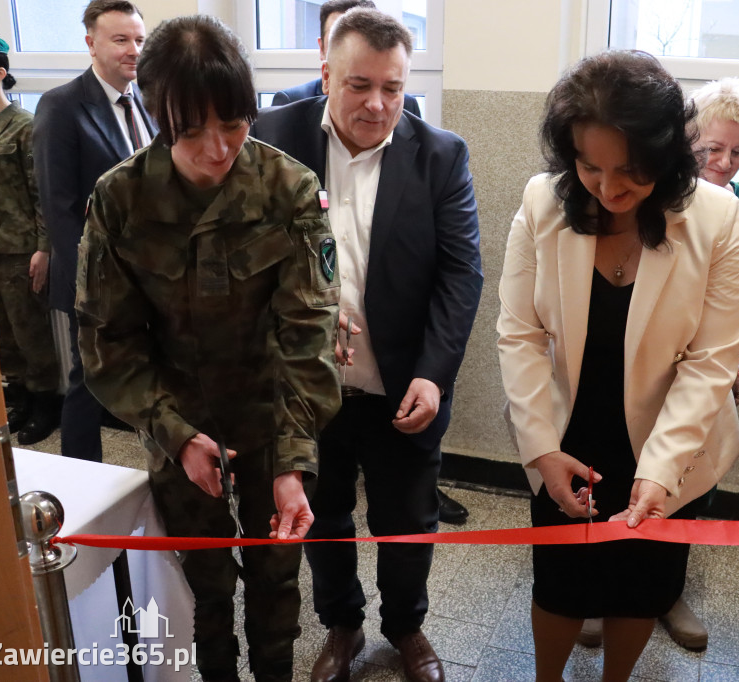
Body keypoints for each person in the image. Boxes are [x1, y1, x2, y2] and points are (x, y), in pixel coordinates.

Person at [74, 14, 341, 682]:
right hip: (178, 418)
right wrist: (174, 433)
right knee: (205, 577)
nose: (218, 148)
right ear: (159, 117)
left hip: (272, 417)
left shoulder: (290, 190)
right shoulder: (120, 201)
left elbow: (307, 340)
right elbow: (108, 345)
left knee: (278, 578)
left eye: (234, 123)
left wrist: (293, 461)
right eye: (192, 131)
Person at [497, 50, 739, 681]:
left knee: (643, 582)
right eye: (590, 167)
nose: (609, 190)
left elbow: (711, 362)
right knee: (560, 580)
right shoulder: (542, 202)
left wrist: (660, 471)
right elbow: (520, 332)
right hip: (569, 432)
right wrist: (539, 448)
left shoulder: (716, 218)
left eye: (630, 173)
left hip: (673, 438)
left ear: (667, 158)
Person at [253, 8, 482, 682]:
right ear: (325, 72)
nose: (378, 104)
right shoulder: (274, 137)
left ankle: (406, 628)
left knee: (407, 521)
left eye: (393, 87)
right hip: (308, 384)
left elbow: (461, 273)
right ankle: (342, 625)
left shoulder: (442, 155)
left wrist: (435, 374)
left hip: (403, 383)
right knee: (323, 519)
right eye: (359, 85)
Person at [33, 0, 155, 462]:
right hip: (95, 281)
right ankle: (80, 484)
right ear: (91, 44)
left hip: (151, 271)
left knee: (151, 374)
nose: (134, 50)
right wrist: (94, 283)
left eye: (140, 40)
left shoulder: (146, 101)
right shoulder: (61, 106)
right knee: (88, 382)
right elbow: (59, 207)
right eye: (121, 39)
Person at [0, 32, 61, 444]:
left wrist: (44, 249)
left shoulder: (24, 127)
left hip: (18, 247)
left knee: (31, 332)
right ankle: (21, 398)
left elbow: (41, 193)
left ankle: (47, 402)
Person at [271, 0, 421, 119]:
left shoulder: (407, 105)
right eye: (358, 86)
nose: (375, 105)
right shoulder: (290, 103)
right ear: (322, 48)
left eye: (391, 89)